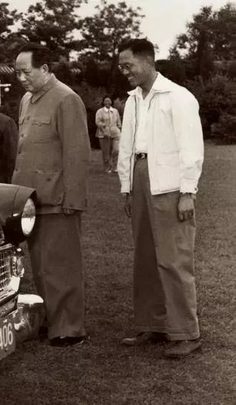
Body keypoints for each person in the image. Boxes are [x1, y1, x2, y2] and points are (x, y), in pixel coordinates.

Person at [116, 38, 204, 358]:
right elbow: (126, 147)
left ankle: (186, 333)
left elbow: (191, 148)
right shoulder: (133, 100)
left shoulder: (178, 97)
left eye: (129, 65)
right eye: (121, 67)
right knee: (145, 257)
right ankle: (153, 324)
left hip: (170, 184)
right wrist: (127, 187)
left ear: (148, 61)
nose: (125, 72)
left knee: (173, 258)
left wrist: (187, 191)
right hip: (140, 177)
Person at [12, 43, 91, 347]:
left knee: (63, 265)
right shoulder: (26, 100)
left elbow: (77, 154)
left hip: (59, 199)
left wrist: (73, 200)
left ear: (44, 69)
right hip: (32, 199)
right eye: (17, 72)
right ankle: (51, 320)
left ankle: (69, 328)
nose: (21, 78)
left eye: (26, 72)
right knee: (41, 266)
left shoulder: (66, 99)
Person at [95, 96, 122, 173]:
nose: (107, 102)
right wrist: (104, 128)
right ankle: (107, 167)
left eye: (109, 101)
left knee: (116, 150)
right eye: (105, 101)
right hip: (104, 134)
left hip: (115, 133)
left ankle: (115, 166)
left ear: (111, 102)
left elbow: (118, 122)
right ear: (103, 102)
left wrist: (119, 129)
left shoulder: (115, 111)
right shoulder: (100, 111)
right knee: (106, 152)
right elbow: (98, 122)